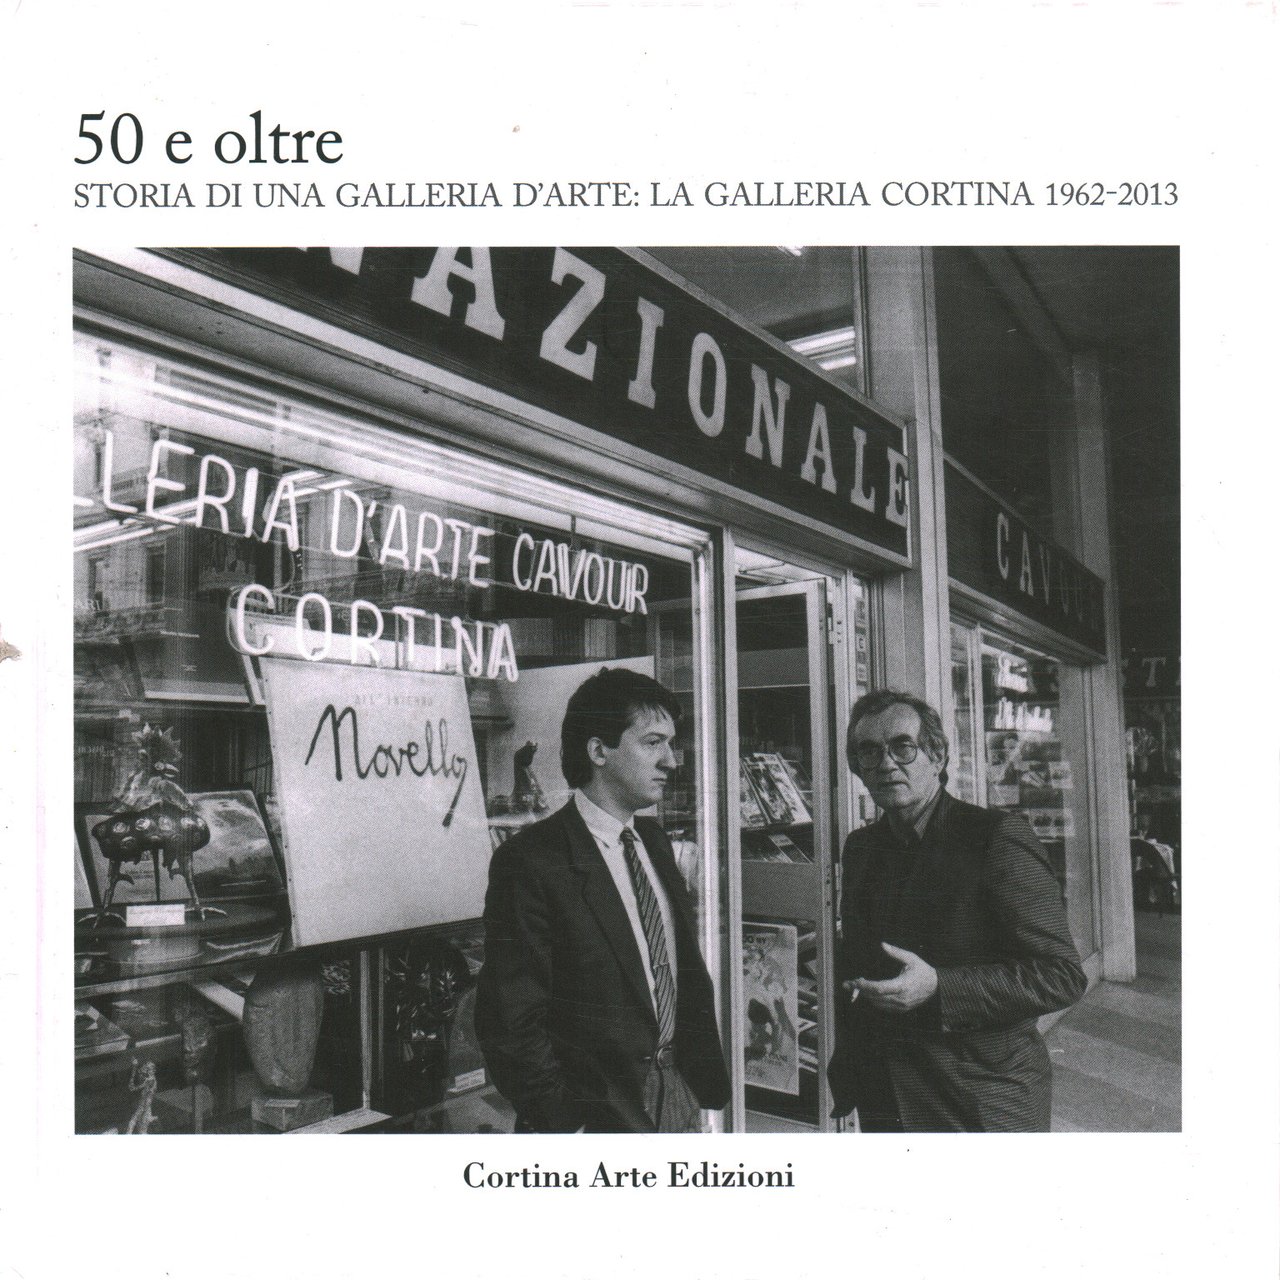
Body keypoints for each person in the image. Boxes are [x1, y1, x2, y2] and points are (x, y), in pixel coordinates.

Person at [476, 667, 730, 1133]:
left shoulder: (653, 841)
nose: (671, 761)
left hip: (679, 1093)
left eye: (670, 744)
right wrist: (565, 1124)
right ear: (598, 751)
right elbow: (511, 1020)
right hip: (595, 1114)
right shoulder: (532, 861)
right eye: (653, 743)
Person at [828, 689, 1086, 1132]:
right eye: (869, 752)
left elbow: (1061, 975)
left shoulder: (996, 837)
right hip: (886, 1094)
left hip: (981, 1098)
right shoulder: (861, 848)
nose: (886, 763)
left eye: (903, 747)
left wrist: (939, 987)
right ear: (858, 768)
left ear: (937, 756)